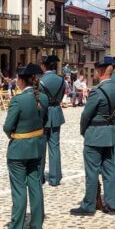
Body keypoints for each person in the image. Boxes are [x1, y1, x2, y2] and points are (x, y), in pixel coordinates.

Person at [0, 63, 47, 229]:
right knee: (35, 186)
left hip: (19, 148)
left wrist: (12, 134)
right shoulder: (43, 98)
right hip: (37, 146)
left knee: (18, 190)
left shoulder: (18, 100)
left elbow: (8, 126)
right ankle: (37, 225)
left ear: (21, 80)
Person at [70, 56, 115, 216]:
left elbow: (86, 115)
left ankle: (89, 205)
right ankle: (111, 205)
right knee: (110, 170)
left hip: (95, 134)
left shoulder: (98, 92)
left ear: (100, 72)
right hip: (110, 134)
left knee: (92, 171)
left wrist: (83, 131)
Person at [39, 55, 66, 187]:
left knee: (41, 146)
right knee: (55, 146)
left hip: (44, 114)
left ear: (44, 65)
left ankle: (40, 177)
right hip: (56, 111)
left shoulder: (41, 80)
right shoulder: (61, 79)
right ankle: (55, 178)